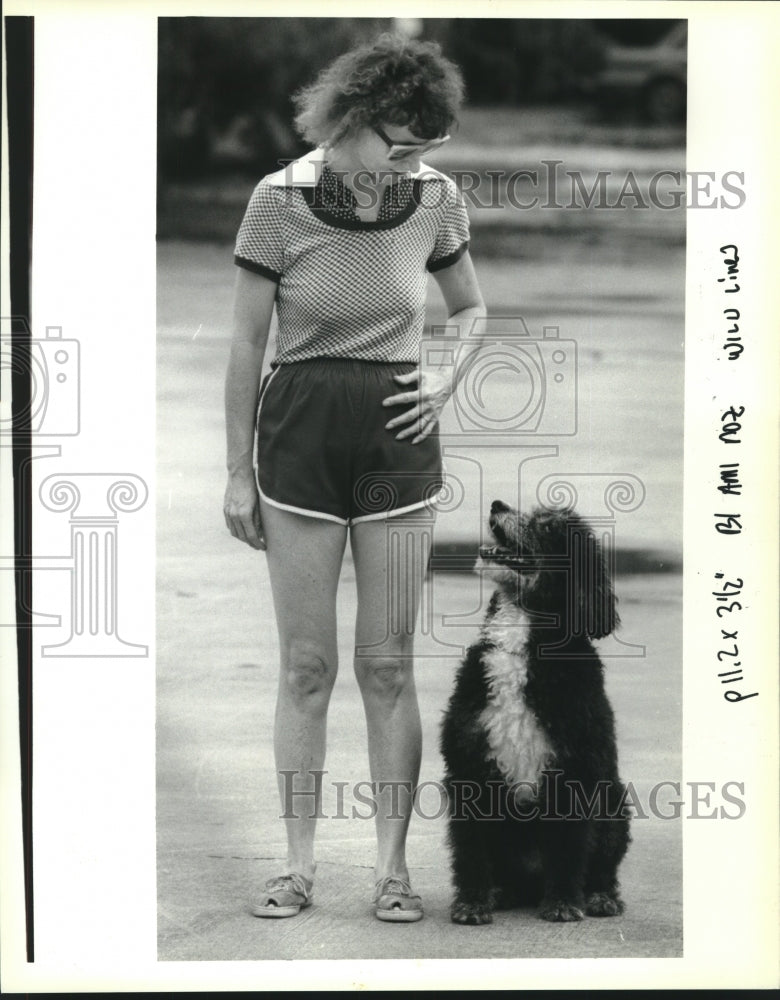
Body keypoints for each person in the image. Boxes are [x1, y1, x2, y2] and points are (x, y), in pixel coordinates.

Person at [223, 33, 486, 922]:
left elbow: (473, 307)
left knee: (386, 666)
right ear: (350, 121)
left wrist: (444, 380)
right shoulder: (277, 202)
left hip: (395, 443)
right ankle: (296, 867)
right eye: (400, 144)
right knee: (306, 665)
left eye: (428, 148)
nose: (413, 163)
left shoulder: (434, 201)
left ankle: (391, 871)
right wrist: (235, 473)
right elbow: (245, 346)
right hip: (298, 435)